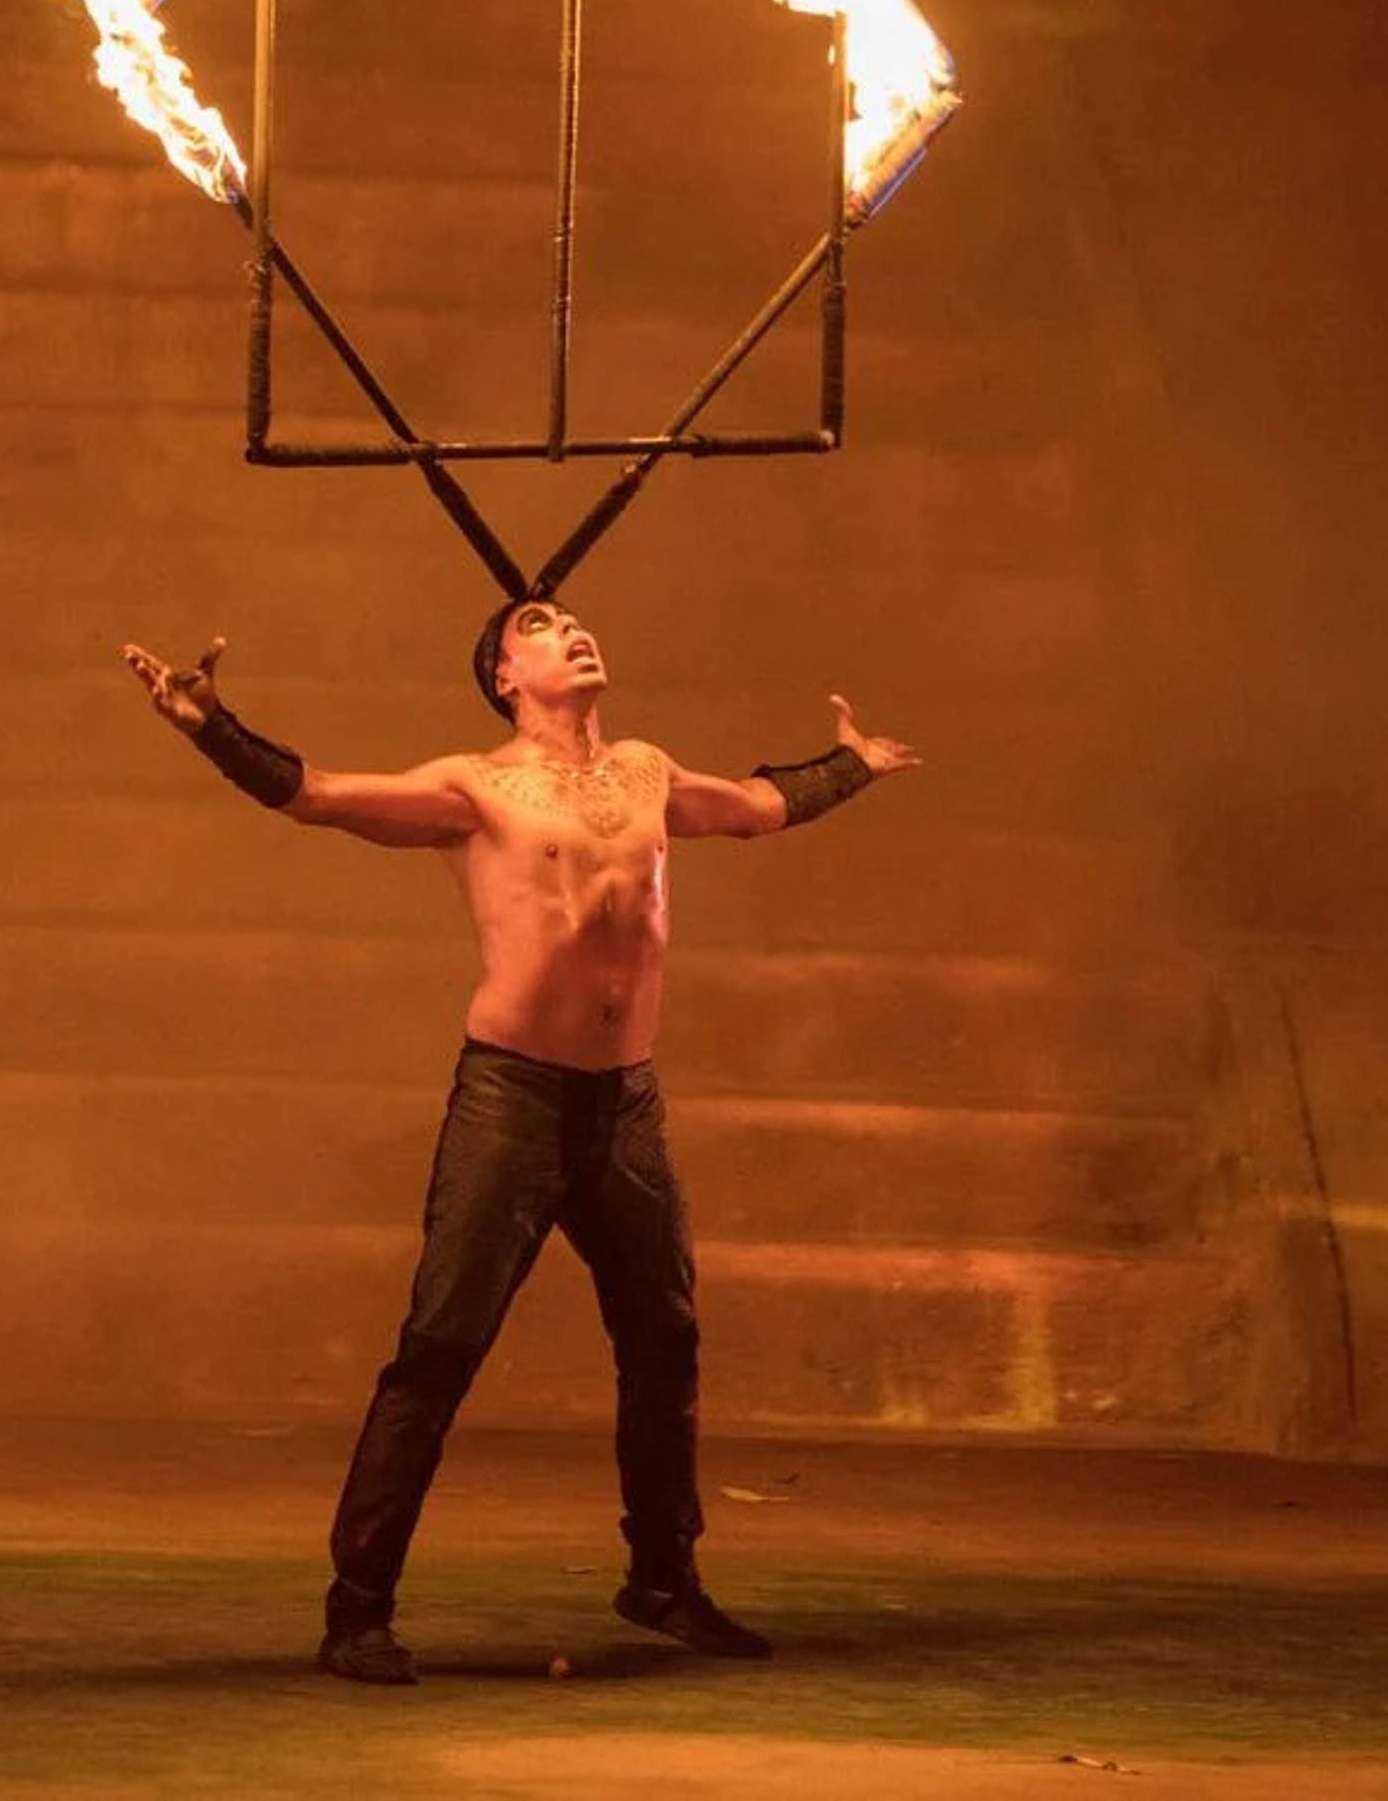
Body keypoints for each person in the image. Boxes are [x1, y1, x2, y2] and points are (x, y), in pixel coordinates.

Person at [120, 594, 922, 1686]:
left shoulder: (644, 767)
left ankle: (662, 1578)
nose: (576, 629)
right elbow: (317, 795)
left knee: (665, 1337)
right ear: (506, 672)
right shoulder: (473, 786)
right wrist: (212, 724)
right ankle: (357, 1608)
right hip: (514, 1098)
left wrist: (851, 765)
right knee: (441, 1344)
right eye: (543, 623)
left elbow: (751, 806)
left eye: (580, 619)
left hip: (624, 1104)